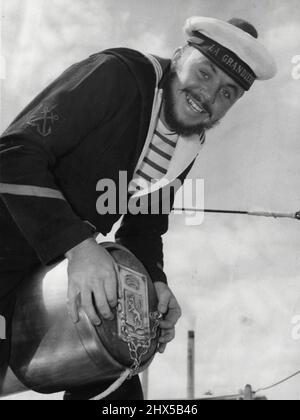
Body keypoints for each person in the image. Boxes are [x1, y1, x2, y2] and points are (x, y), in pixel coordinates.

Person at [0, 16, 277, 400]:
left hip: (49, 274)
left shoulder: (187, 143)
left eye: (228, 93)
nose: (209, 96)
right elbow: (14, 155)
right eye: (205, 72)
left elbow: (144, 227)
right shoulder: (118, 75)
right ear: (179, 56)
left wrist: (155, 283)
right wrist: (80, 248)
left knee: (118, 380)